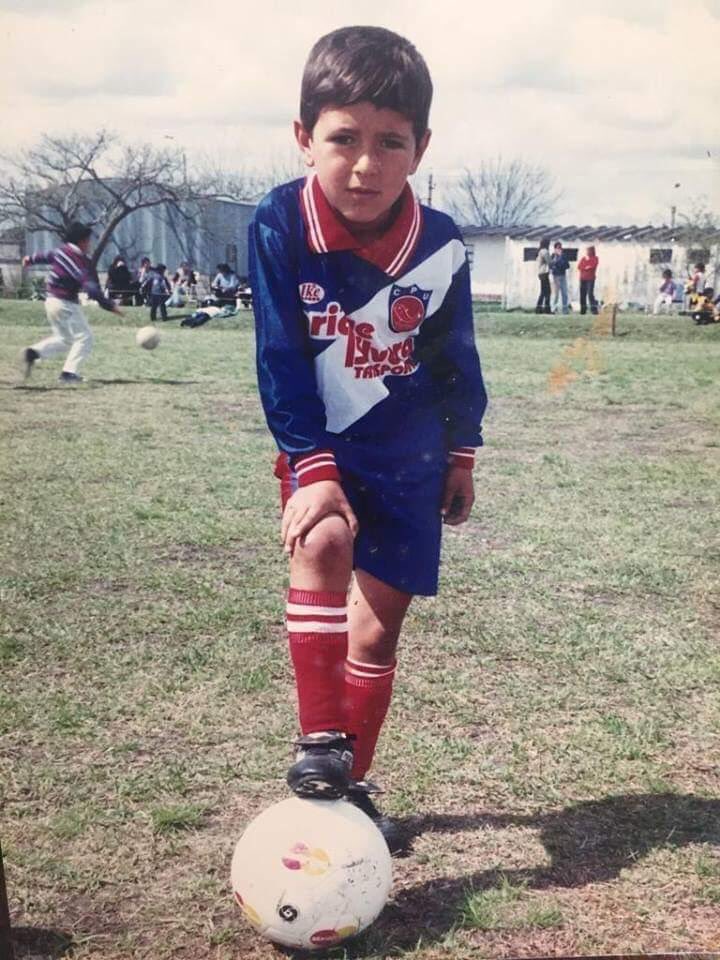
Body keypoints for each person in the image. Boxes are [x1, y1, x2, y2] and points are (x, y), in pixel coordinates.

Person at [249, 25, 487, 852]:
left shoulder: (443, 242)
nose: (365, 163)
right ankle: (320, 744)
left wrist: (461, 452)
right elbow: (280, 352)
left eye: (391, 143)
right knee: (320, 538)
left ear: (420, 148)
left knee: (379, 631)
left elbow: (454, 356)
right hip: (323, 445)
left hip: (413, 450)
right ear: (303, 138)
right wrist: (310, 468)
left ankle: (352, 785)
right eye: (343, 138)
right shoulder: (281, 222)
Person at [21, 221, 121, 382]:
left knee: (65, 339)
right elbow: (90, 287)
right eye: (88, 240)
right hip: (65, 303)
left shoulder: (61, 252)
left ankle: (34, 352)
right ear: (81, 241)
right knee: (85, 338)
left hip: (51, 301)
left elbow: (45, 256)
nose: (89, 244)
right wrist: (109, 305)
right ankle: (68, 373)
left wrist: (29, 259)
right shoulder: (78, 261)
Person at [577, 245, 599, 315]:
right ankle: (583, 310)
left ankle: (593, 310)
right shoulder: (584, 258)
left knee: (590, 294)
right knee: (582, 294)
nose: (587, 252)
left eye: (588, 251)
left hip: (590, 279)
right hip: (582, 278)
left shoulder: (595, 258)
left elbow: (592, 266)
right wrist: (586, 267)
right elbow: (579, 266)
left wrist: (587, 265)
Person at [550, 241, 570, 314]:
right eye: (558, 248)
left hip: (562, 275)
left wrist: (560, 259)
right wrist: (556, 263)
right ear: (555, 249)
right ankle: (553, 309)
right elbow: (551, 265)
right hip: (556, 276)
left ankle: (565, 309)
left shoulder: (563, 255)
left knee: (564, 293)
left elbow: (567, 265)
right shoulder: (552, 256)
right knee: (556, 293)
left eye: (560, 248)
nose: (559, 249)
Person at [535, 237, 551, 314]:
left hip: (540, 273)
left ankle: (538, 308)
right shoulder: (545, 251)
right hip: (544, 273)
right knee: (548, 292)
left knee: (543, 291)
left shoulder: (540, 251)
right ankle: (547, 309)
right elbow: (549, 262)